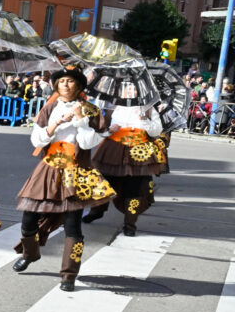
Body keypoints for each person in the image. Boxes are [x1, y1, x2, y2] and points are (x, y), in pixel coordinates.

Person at [12, 67, 115, 291]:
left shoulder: (90, 110)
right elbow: (37, 141)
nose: (65, 85)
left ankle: (69, 274)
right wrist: (54, 124)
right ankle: (30, 254)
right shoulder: (49, 108)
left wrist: (80, 119)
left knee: (73, 225)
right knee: (29, 217)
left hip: (76, 171)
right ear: (56, 86)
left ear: (78, 86)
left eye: (70, 82)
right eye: (61, 82)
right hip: (48, 167)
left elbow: (89, 144)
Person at [82, 100, 165, 236]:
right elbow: (100, 129)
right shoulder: (113, 108)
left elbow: (157, 130)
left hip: (139, 153)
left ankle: (130, 224)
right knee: (104, 184)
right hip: (113, 150)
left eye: (133, 88)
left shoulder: (148, 109)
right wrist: (109, 130)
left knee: (134, 188)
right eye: (127, 87)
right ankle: (96, 211)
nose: (130, 91)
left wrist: (144, 120)